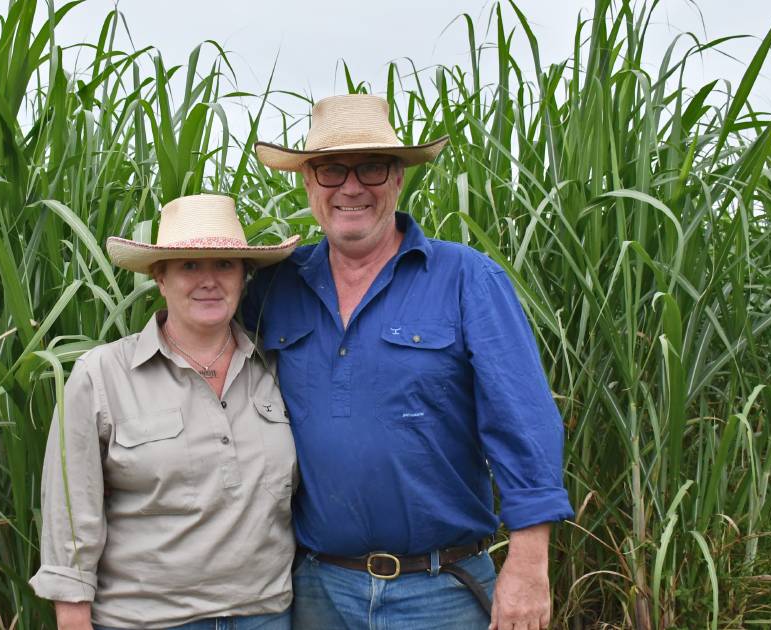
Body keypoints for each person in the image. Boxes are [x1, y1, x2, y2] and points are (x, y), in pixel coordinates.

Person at [243, 94, 574, 629]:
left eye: (372, 167)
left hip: (441, 590)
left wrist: (530, 565)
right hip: (316, 588)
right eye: (331, 170)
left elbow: (524, 421)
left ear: (397, 179)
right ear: (308, 184)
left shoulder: (467, 278)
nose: (352, 187)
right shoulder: (274, 288)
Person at [30, 193, 301, 629]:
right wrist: (73, 618)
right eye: (189, 265)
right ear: (160, 276)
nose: (209, 280)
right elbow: (70, 514)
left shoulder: (275, 367)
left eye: (224, 265)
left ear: (244, 276)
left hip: (265, 616)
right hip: (146, 619)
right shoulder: (101, 375)